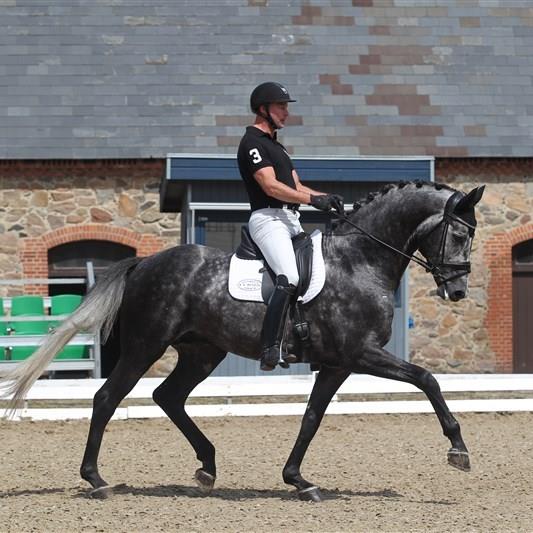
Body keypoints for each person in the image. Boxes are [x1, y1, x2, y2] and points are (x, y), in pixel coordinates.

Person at [237, 81, 344, 371]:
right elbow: (270, 187)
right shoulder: (252, 144)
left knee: (319, 274)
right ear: (263, 109)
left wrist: (324, 198)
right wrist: (312, 199)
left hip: (290, 220)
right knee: (290, 277)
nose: (286, 113)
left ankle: (311, 342)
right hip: (268, 220)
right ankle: (270, 347)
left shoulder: (277, 148)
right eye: (281, 107)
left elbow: (294, 185)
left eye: (286, 107)